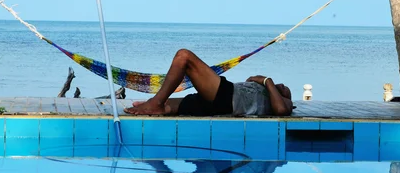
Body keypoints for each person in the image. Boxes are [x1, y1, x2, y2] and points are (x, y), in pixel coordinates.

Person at [124, 49, 293, 117]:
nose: (284, 85)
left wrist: (267, 80)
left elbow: (281, 110)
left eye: (286, 90)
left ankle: (155, 103)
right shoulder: (264, 93)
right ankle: (155, 105)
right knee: (169, 107)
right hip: (216, 103)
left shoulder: (279, 100)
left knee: (184, 57)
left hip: (227, 98)